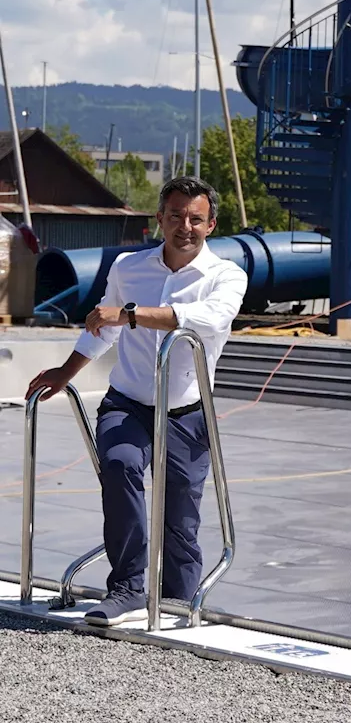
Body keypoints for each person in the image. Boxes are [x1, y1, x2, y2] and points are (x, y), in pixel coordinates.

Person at [26, 176, 248, 626]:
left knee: (181, 510)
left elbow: (207, 319)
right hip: (128, 402)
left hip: (187, 410)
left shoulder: (226, 276)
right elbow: (102, 329)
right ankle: (128, 586)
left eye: (196, 218)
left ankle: (181, 597)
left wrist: (130, 315)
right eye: (175, 216)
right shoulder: (129, 267)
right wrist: (64, 373)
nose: (185, 226)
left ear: (211, 225)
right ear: (159, 220)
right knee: (121, 464)